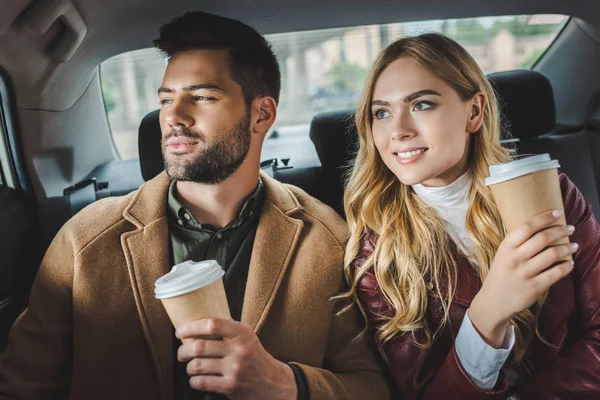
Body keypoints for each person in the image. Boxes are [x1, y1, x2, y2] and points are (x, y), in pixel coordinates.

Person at [0, 11, 391, 400]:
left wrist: (286, 384)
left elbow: (371, 387)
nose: (174, 116)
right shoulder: (83, 241)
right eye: (167, 98)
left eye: (202, 96)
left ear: (262, 114)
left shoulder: (329, 239)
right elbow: (22, 385)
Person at [340, 33, 600, 399]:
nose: (397, 130)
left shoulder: (548, 190)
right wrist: (488, 313)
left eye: (422, 105)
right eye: (381, 112)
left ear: (474, 112)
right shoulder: (377, 248)